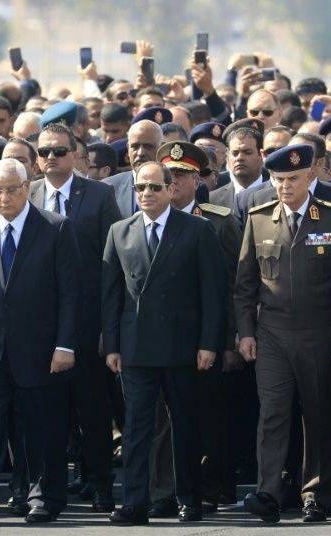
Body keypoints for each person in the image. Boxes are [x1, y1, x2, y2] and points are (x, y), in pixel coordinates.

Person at [0, 159, 79, 525]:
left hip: (38, 348)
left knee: (39, 424)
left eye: (10, 189)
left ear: (27, 187)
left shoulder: (55, 228)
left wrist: (65, 345)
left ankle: (42, 496)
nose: (3, 197)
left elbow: (70, 294)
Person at [102, 161, 226, 525]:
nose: (147, 194)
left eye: (155, 187)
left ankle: (189, 499)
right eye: (141, 188)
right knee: (137, 429)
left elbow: (213, 294)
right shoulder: (119, 231)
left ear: (171, 190)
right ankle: (135, 502)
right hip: (137, 347)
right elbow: (110, 296)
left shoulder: (197, 230)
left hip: (182, 347)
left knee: (185, 426)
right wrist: (111, 345)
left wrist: (208, 343)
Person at [235, 144, 331, 523]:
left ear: (310, 177)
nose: (284, 187)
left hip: (320, 331)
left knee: (317, 415)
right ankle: (268, 490)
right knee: (272, 414)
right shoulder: (259, 217)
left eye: (293, 179)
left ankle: (315, 493)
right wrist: (246, 332)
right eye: (279, 179)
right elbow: (245, 285)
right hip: (272, 333)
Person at [28, 122, 120, 511]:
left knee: (92, 412)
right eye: (45, 152)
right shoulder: (27, 193)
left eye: (59, 152)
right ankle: (48, 491)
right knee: (46, 415)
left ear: (76, 156)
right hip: (38, 327)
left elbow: (112, 264)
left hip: (86, 324)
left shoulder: (99, 196)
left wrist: (106, 328)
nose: (51, 158)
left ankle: (101, 483)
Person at [103, 120, 163, 219]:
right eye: (135, 147)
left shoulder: (175, 186)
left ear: (161, 147)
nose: (140, 153)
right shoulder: (107, 188)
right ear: (128, 148)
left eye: (148, 146)